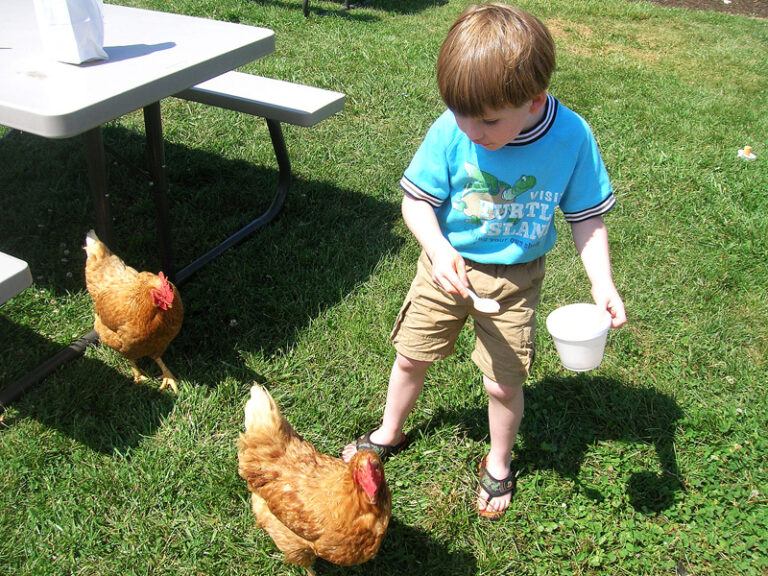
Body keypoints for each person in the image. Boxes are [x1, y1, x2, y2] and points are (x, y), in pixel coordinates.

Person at [342, 2, 626, 520]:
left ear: (534, 99)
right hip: (443, 268)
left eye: (490, 121)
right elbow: (416, 202)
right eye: (461, 115)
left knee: (503, 381)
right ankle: (389, 430)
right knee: (411, 354)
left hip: (515, 281)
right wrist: (439, 249)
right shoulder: (454, 129)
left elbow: (585, 216)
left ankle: (498, 462)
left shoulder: (571, 137)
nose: (474, 131)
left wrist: (602, 283)